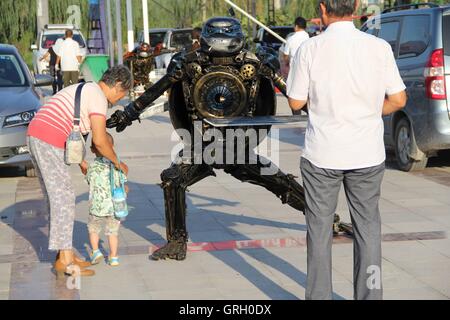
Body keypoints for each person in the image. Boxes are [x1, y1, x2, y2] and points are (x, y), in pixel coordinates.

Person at [287, 0, 407, 300]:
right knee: (368, 229)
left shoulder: (310, 49)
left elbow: (295, 102)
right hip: (366, 153)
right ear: (355, 7)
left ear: (323, 8)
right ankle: (370, 295)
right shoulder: (378, 47)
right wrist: (368, 112)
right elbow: (399, 99)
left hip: (322, 154)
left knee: (319, 231)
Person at [27, 66, 132, 278]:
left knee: (58, 199)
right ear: (118, 86)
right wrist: (117, 163)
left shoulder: (88, 89)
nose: (120, 100)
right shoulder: (98, 97)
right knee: (64, 198)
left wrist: (81, 162)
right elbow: (100, 142)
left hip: (39, 135)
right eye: (123, 94)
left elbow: (73, 127)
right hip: (48, 139)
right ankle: (65, 261)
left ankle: (64, 255)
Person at [86, 133, 128, 267]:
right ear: (112, 147)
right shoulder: (115, 165)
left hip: (96, 206)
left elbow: (88, 180)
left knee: (93, 229)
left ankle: (96, 251)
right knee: (112, 232)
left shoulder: (92, 166)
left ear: (92, 149)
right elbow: (123, 181)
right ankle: (114, 257)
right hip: (113, 207)